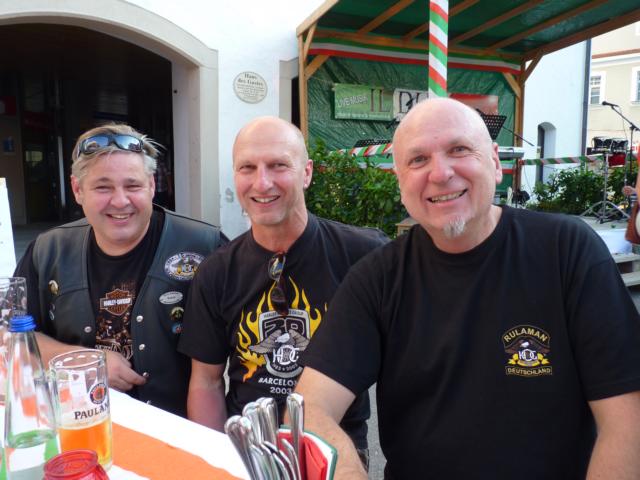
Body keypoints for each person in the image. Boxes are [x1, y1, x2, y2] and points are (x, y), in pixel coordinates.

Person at [295, 98, 640, 479]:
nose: (441, 173)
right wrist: (347, 471)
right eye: (418, 160)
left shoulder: (566, 251)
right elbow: (309, 408)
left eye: (459, 149)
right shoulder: (377, 278)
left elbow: (627, 419)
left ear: (495, 162)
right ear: (400, 180)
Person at [178, 116, 387, 462]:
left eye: (278, 165)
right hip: (249, 450)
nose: (262, 183)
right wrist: (215, 461)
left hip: (335, 450)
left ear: (307, 173)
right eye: (247, 167)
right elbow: (206, 382)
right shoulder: (217, 271)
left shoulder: (362, 256)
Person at [14, 124, 227, 417]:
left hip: (177, 429)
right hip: (77, 423)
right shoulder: (47, 251)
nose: (120, 201)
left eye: (133, 186)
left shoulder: (206, 245)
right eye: (103, 187)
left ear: (151, 185)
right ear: (77, 189)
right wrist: (83, 360)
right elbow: (10, 336)